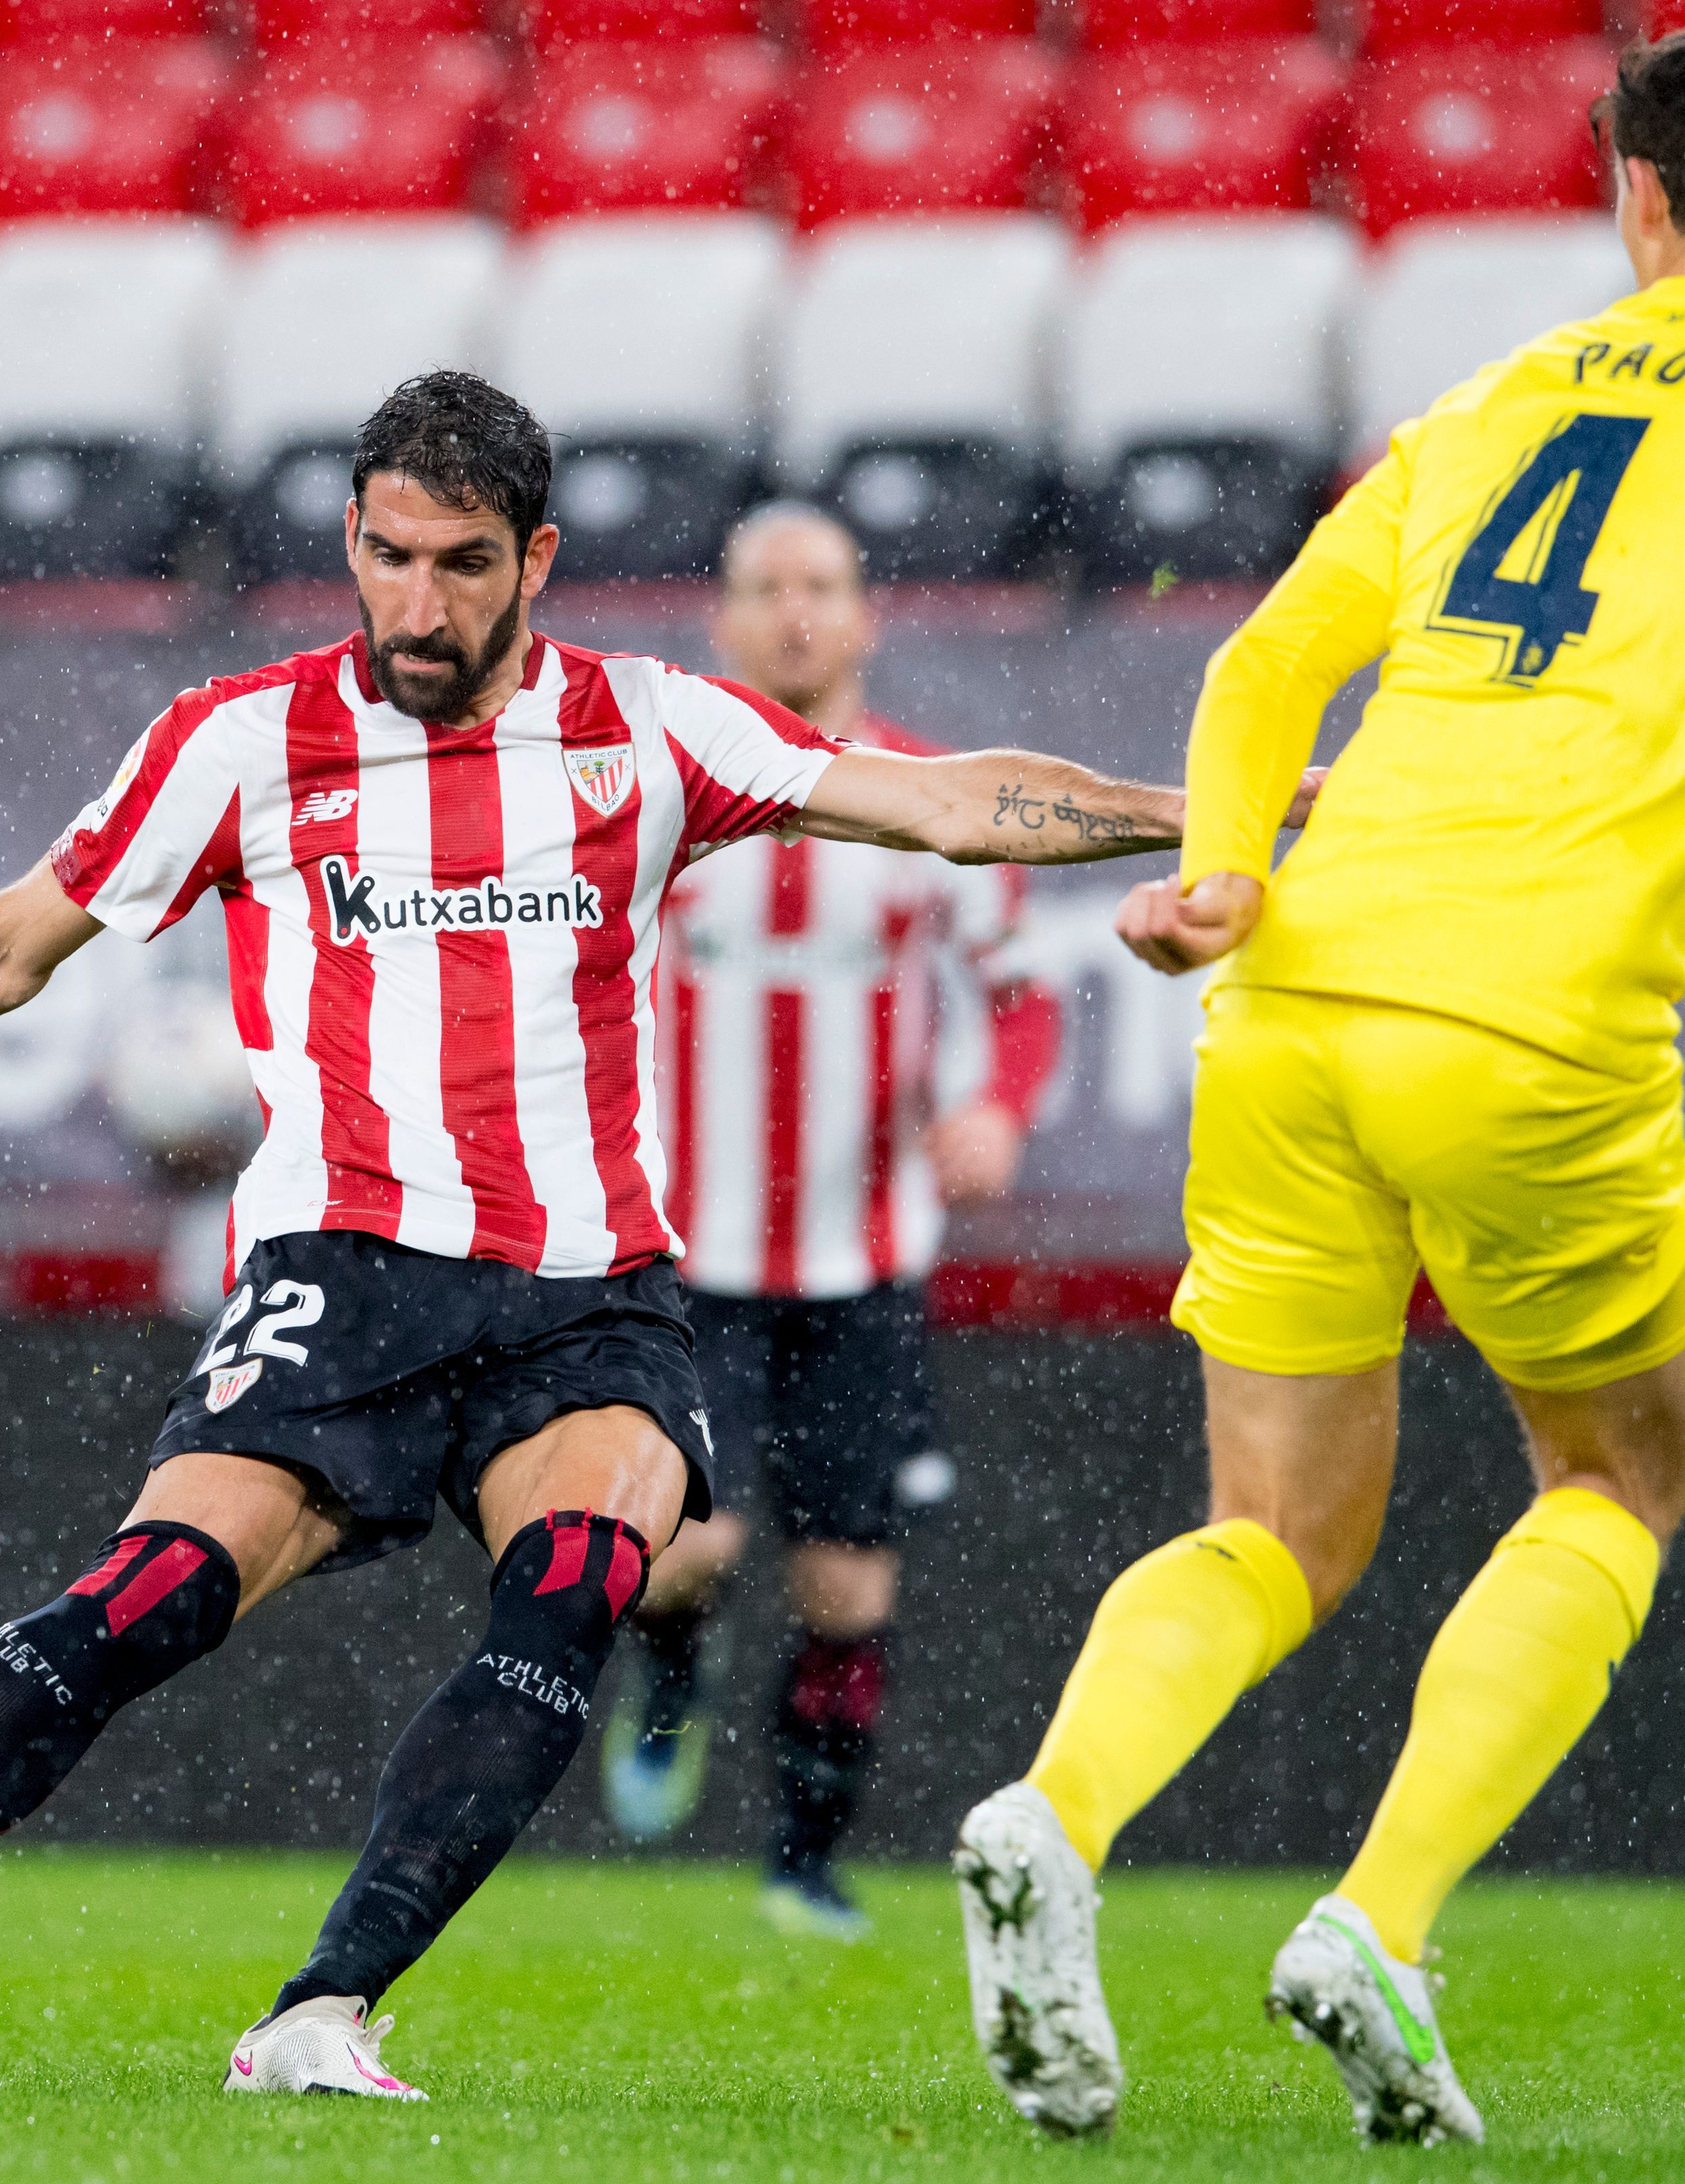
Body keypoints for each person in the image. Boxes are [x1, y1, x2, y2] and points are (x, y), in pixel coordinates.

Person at [0, 371, 1290, 2100]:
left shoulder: (651, 729)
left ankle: (325, 2014)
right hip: (345, 1271)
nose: (418, 606)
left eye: (462, 566)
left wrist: (1234, 822)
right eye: (387, 558)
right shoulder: (244, 742)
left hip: (586, 1293)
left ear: (537, 559)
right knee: (152, 1597)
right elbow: (12, 945)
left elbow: (952, 803)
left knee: (580, 1583)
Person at [952, 21, 1685, 2147]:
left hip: (1292, 992)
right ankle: (1378, 1918)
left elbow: (1266, 666)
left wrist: (1228, 871)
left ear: (1634, 194)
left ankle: (1054, 1812)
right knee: (1615, 1480)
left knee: (1269, 1528)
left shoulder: (1495, 390)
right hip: (1535, 1027)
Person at [598, 503, 1059, 1942]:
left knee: (847, 1581)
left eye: (823, 587)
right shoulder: (663, 795)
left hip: (866, 1259)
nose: (796, 614)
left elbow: (1023, 997)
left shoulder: (930, 795)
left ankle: (806, 1859)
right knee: (688, 1549)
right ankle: (669, 1667)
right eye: (765, 589)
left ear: (866, 618)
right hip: (693, 1253)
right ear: (721, 625)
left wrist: (1000, 1111)